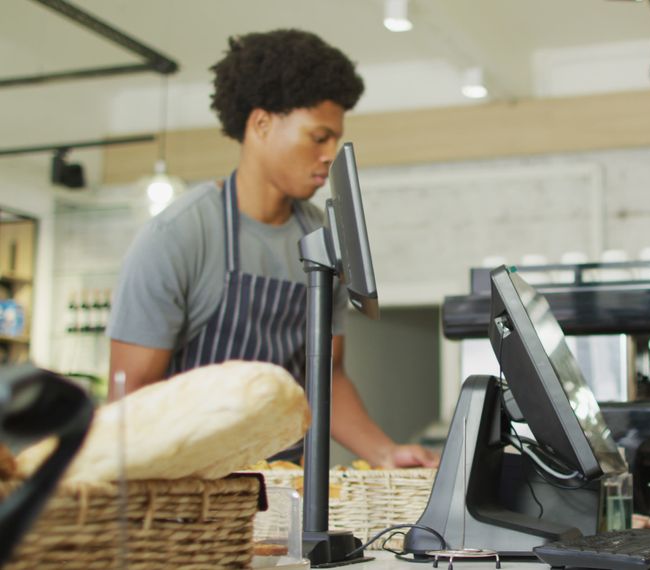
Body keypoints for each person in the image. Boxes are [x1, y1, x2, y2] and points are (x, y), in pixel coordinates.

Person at [107, 29, 437, 469]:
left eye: (335, 140)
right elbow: (131, 395)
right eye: (318, 137)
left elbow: (327, 378)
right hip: (188, 490)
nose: (329, 155)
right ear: (261, 124)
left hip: (285, 489)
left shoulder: (323, 237)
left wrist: (386, 452)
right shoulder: (178, 236)